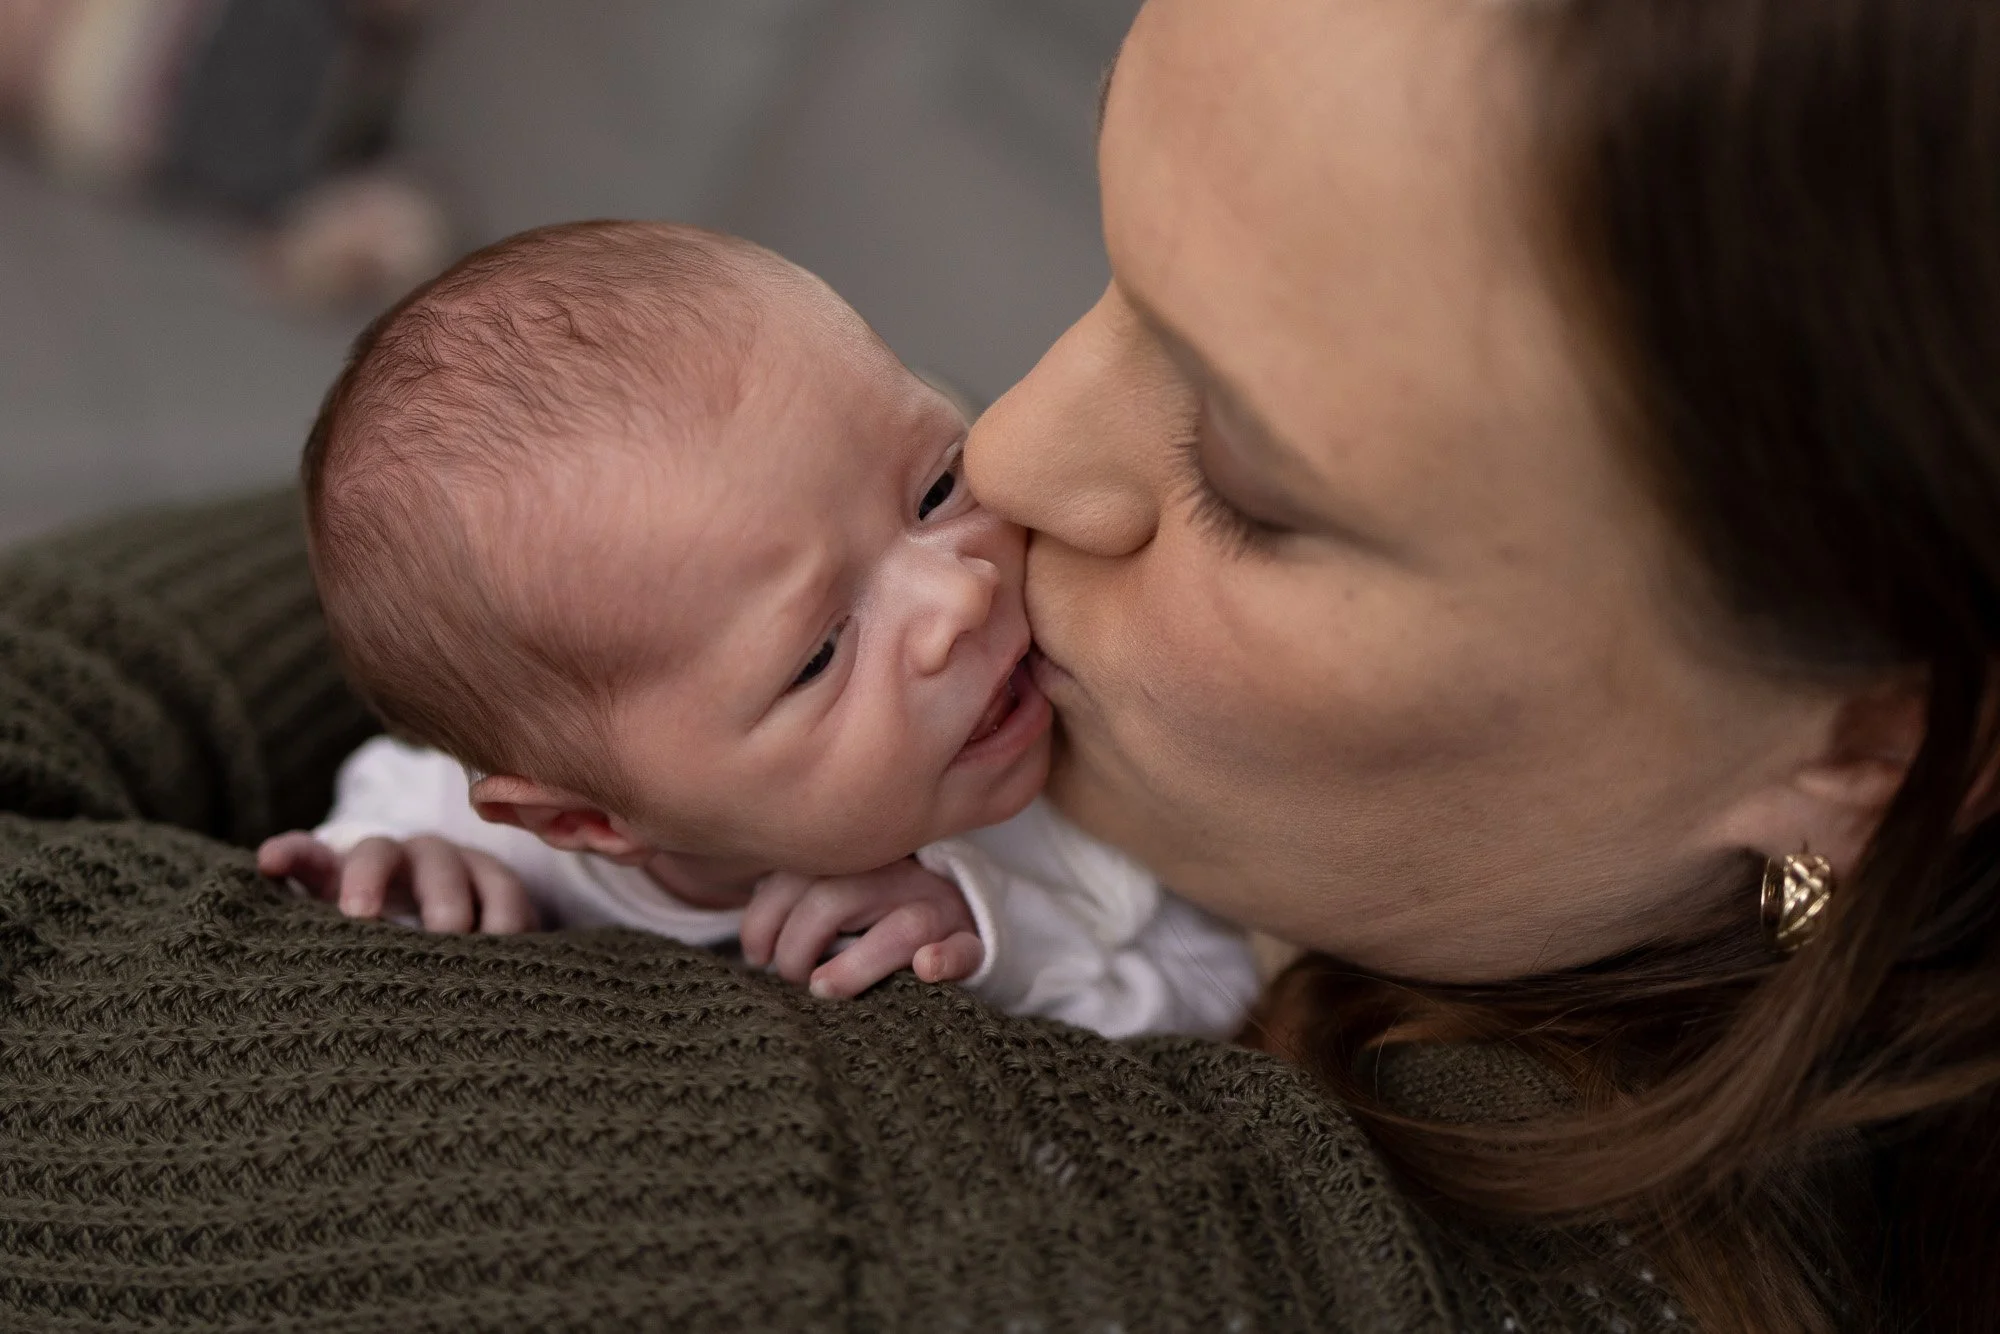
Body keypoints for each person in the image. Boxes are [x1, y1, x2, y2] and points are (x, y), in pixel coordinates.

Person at [2, 0, 1996, 1329]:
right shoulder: (1627, 875)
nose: (1014, 469)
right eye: (1110, 273)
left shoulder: (1053, 1246)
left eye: (1245, 470)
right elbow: (521, 601)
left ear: (1865, 754)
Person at [258, 219, 1257, 1038]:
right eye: (819, 651)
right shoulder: (513, 833)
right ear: (589, 824)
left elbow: (1228, 988)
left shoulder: (1075, 772)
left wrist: (1004, 936)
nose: (957, 599)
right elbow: (393, 790)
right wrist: (384, 864)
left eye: (937, 484)